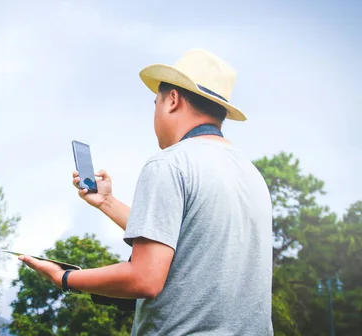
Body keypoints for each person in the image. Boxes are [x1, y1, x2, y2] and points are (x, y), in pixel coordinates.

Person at [19, 49, 273, 335]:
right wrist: (107, 202)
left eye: (156, 102)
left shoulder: (170, 163)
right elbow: (185, 235)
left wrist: (65, 278)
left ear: (173, 100)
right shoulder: (251, 174)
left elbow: (145, 278)